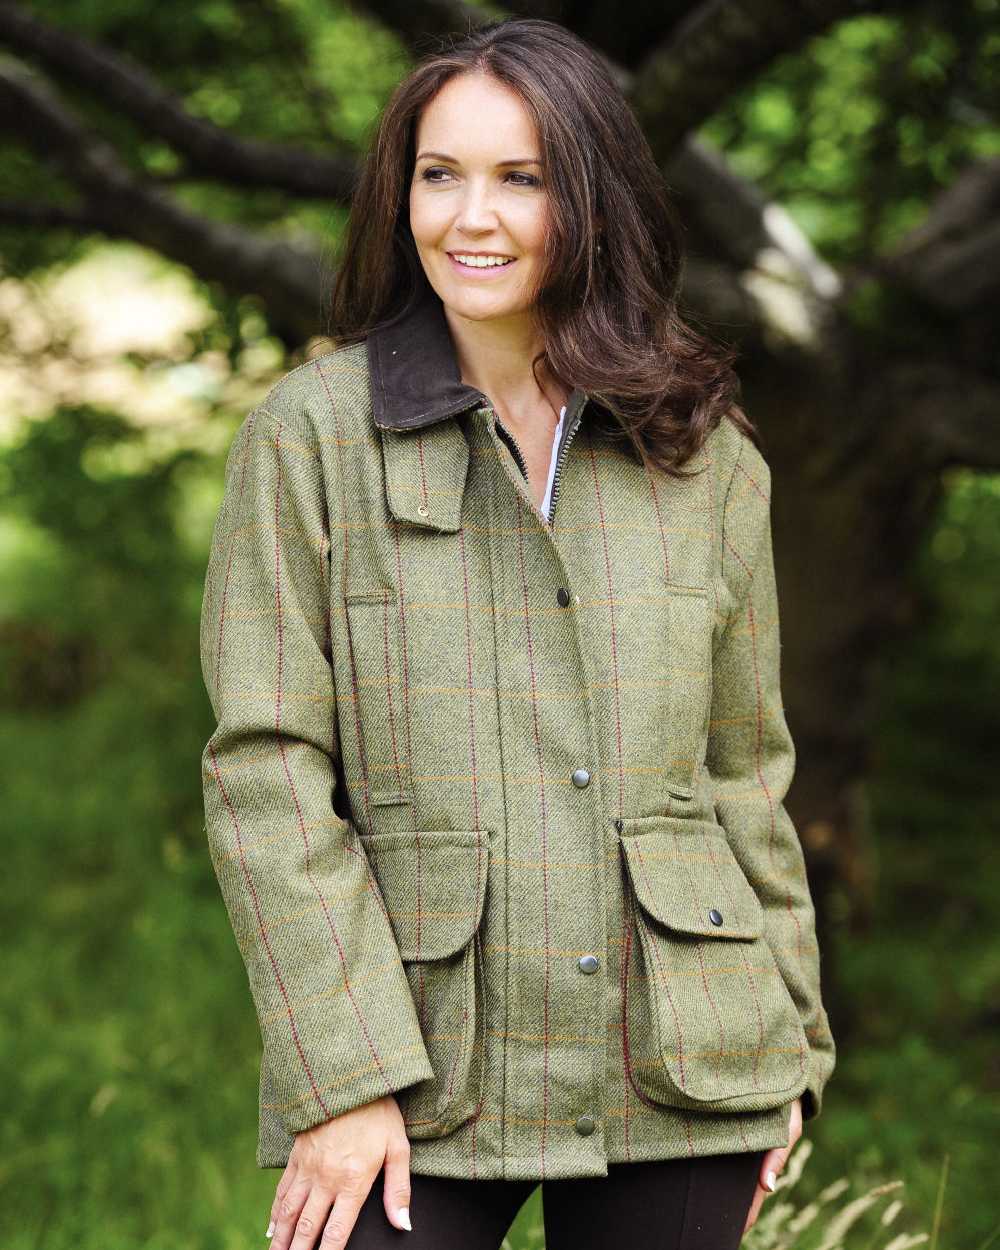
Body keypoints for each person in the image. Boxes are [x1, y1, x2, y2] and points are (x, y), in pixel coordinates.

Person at [198, 16, 836, 1250]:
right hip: (413, 1060)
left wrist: (790, 1041)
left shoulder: (703, 453)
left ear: (591, 202)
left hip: (687, 1060)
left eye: (521, 177)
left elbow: (745, 771)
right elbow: (263, 769)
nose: (469, 217)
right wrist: (343, 1070)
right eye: (440, 175)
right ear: (401, 196)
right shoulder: (310, 436)